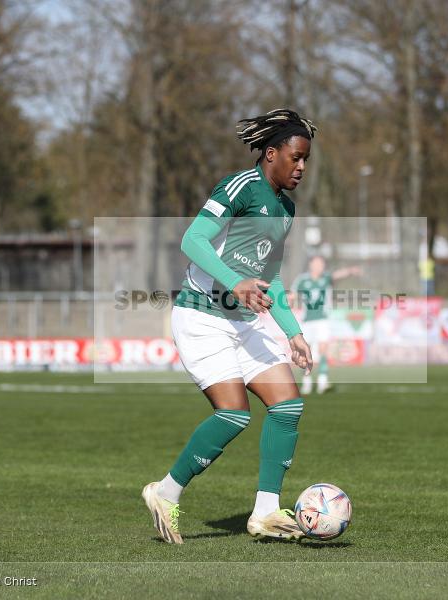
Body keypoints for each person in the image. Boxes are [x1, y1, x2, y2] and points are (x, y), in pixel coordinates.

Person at [142, 109, 316, 544]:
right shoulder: (239, 187)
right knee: (235, 413)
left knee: (288, 405)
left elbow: (271, 276)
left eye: (306, 159)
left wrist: (293, 332)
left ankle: (265, 512)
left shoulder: (285, 209)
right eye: (295, 157)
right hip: (202, 317)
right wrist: (234, 281)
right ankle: (166, 492)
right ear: (271, 153)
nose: (301, 167)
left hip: (244, 322)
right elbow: (193, 240)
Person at [292, 256, 361, 394]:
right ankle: (307, 383)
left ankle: (323, 382)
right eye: (317, 263)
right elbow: (292, 295)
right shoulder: (302, 280)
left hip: (323, 320)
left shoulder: (326, 278)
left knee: (323, 349)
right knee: (306, 351)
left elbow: (338, 275)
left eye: (322, 264)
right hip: (307, 321)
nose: (319, 266)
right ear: (311, 264)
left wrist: (350, 271)